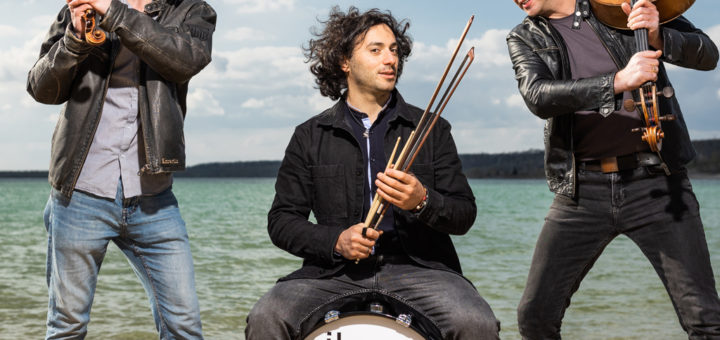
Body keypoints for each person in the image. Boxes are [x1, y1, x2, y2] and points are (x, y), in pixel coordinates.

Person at [245, 6, 499, 340]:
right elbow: (281, 222)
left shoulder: (431, 129)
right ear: (345, 62)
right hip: (333, 271)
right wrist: (336, 241)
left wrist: (421, 201)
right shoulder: (310, 135)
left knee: (475, 322)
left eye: (394, 50)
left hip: (418, 268)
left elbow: (464, 213)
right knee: (267, 316)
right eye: (376, 50)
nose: (390, 59)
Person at [506, 0, 720, 338]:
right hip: (580, 192)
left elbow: (709, 55)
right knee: (535, 316)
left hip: (658, 184)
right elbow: (538, 96)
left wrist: (657, 35)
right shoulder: (525, 35)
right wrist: (618, 81)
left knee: (705, 320)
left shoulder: (620, 4)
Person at [27, 0, 215, 338]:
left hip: (154, 199)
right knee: (66, 326)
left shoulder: (192, 9)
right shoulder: (81, 7)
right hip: (80, 194)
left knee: (184, 326)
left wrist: (114, 12)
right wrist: (74, 40)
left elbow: (185, 61)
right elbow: (41, 88)